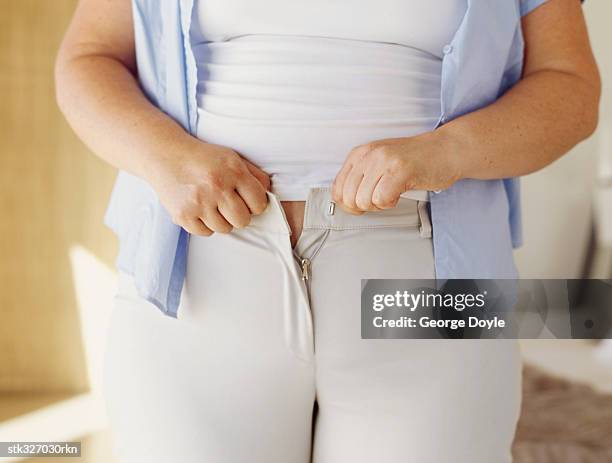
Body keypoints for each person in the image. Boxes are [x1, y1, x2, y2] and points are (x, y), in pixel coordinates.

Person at [55, 0, 600, 462]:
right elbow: (90, 57)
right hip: (197, 265)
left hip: (433, 275)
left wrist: (446, 151)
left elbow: (571, 88)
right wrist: (166, 157)